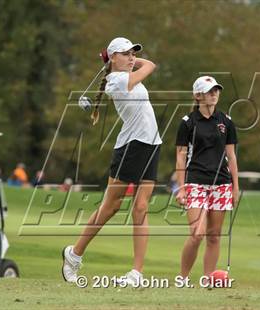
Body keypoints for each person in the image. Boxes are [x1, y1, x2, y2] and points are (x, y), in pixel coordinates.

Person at [62, 37, 162, 286]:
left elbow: (148, 62)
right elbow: (150, 66)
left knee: (141, 208)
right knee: (111, 207)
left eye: (133, 53)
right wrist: (118, 62)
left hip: (151, 143)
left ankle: (136, 273)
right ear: (113, 57)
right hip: (131, 146)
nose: (131, 58)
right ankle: (74, 254)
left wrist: (123, 59)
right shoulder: (115, 81)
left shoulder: (124, 73)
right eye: (125, 54)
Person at [175, 76, 239, 284]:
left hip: (222, 183)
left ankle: (207, 279)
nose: (214, 94)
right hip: (195, 182)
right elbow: (181, 156)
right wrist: (182, 187)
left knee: (214, 236)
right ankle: (182, 278)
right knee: (197, 233)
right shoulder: (188, 123)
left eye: (216, 90)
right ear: (197, 95)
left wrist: (235, 187)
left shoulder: (226, 121)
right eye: (209, 91)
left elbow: (231, 156)